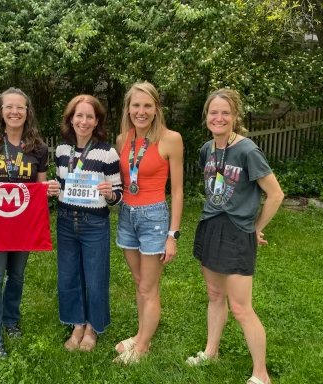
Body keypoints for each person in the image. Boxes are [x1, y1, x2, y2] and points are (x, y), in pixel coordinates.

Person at [186, 89, 284, 384]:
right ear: (206, 117)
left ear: (235, 117)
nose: (219, 118)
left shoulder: (247, 150)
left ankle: (261, 374)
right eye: (213, 113)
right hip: (210, 226)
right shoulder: (207, 149)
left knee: (241, 307)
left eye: (225, 113)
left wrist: (255, 227)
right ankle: (211, 351)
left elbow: (276, 194)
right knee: (215, 296)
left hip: (237, 232)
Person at [0, 87, 59, 358]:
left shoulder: (39, 148)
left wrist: (49, 188)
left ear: (27, 112)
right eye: (9, 107)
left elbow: (40, 187)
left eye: (20, 107)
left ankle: (11, 321)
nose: (15, 112)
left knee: (16, 277)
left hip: (23, 225)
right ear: (1, 111)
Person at [113, 81, 184, 364]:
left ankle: (141, 347)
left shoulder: (171, 139)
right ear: (128, 109)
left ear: (156, 109)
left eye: (146, 106)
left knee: (148, 287)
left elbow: (178, 190)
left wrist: (172, 235)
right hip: (127, 215)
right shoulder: (122, 140)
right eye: (135, 106)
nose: (140, 111)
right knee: (140, 281)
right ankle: (142, 334)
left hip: (154, 216)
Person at [55, 95, 123, 352]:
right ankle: (77, 323)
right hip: (65, 221)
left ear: (97, 122)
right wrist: (53, 189)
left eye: (89, 117)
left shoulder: (107, 153)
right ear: (71, 119)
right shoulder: (62, 150)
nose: (83, 121)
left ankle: (93, 328)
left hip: (94, 223)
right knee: (69, 276)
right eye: (79, 116)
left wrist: (110, 194)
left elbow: (118, 194)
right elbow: (60, 185)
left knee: (95, 278)